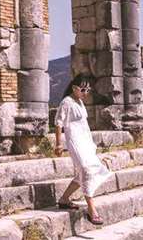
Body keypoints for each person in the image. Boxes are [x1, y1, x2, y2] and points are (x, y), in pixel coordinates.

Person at [54, 74, 112, 225]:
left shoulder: (79, 101)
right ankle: (92, 210)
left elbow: (83, 125)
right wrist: (59, 144)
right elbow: (58, 123)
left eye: (88, 90)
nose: (86, 92)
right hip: (74, 141)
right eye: (83, 89)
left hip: (85, 141)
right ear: (75, 88)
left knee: (85, 171)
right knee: (86, 170)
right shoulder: (66, 102)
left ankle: (64, 199)